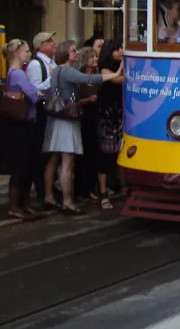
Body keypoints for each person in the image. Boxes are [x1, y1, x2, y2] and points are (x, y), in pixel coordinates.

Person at [42, 41, 121, 215]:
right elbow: (89, 79)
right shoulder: (68, 71)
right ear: (65, 54)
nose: (76, 53)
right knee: (67, 162)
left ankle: (49, 196)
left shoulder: (56, 71)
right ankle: (68, 201)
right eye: (72, 50)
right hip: (67, 120)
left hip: (55, 118)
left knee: (53, 159)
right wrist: (114, 74)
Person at [0, 39, 45, 220]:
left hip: (22, 124)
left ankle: (24, 204)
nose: (29, 54)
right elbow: (33, 95)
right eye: (26, 51)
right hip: (22, 124)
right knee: (22, 165)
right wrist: (39, 93)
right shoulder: (18, 73)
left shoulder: (14, 73)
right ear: (17, 54)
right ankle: (16, 206)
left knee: (27, 165)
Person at [27, 31, 57, 205]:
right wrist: (53, 78)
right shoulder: (35, 65)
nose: (54, 43)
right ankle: (40, 187)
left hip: (51, 111)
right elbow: (35, 90)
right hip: (41, 112)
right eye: (49, 41)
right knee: (41, 152)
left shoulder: (51, 63)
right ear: (40, 45)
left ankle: (49, 185)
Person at [96, 40, 124, 209]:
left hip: (118, 115)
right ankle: (103, 192)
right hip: (106, 116)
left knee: (116, 152)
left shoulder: (117, 66)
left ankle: (116, 184)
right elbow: (119, 80)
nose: (121, 51)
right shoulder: (105, 69)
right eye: (117, 49)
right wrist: (123, 65)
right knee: (104, 155)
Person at [74, 46, 101, 202]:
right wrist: (87, 100)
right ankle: (81, 189)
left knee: (93, 155)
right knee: (83, 157)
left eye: (95, 56)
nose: (94, 59)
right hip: (83, 119)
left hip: (95, 118)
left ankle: (91, 187)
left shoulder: (97, 78)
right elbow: (75, 100)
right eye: (91, 57)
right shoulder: (79, 79)